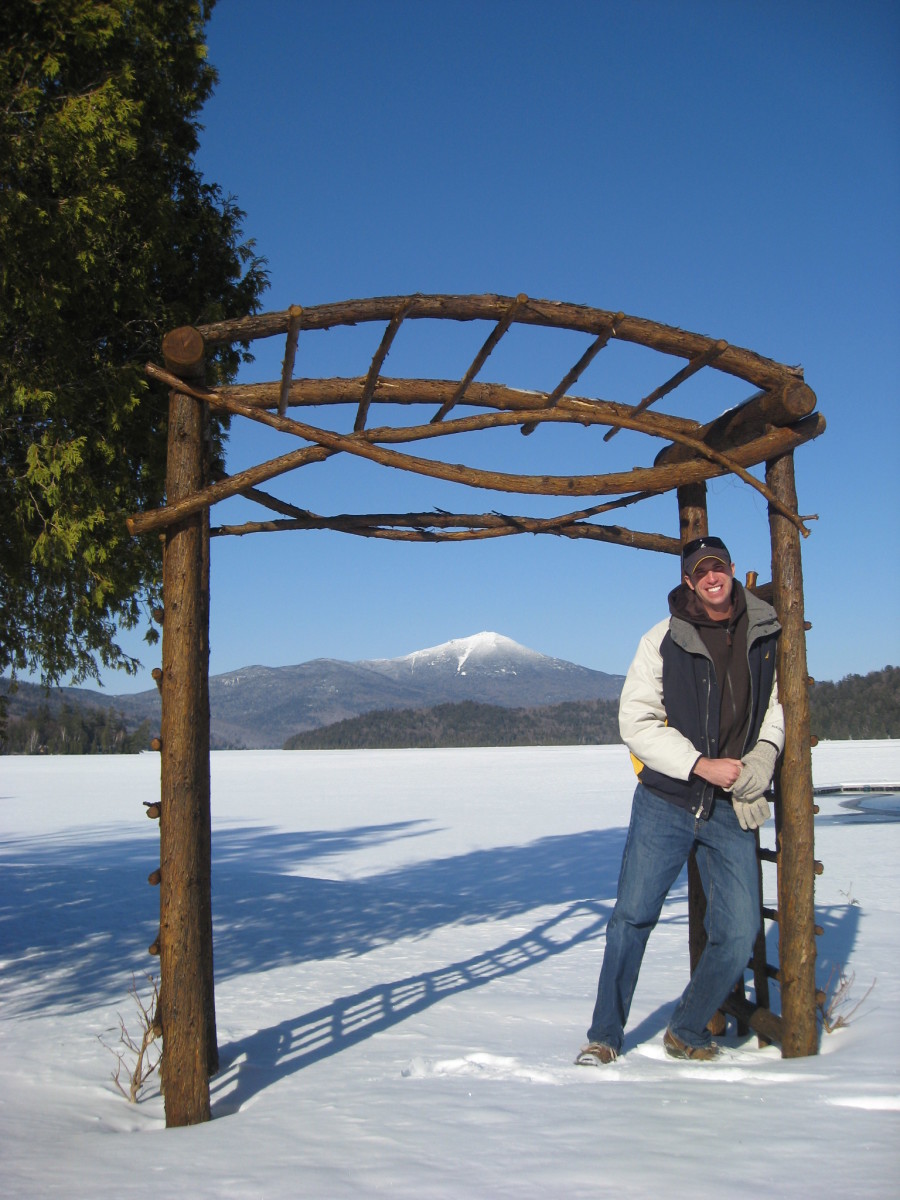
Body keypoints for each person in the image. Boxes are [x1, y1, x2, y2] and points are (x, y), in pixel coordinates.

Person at [577, 535, 784, 1065]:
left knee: (738, 931)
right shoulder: (662, 638)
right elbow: (636, 721)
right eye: (701, 571)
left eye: (718, 567)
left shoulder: (765, 631)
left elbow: (780, 703)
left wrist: (763, 755)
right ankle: (604, 1036)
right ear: (689, 581)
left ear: (731, 569)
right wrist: (698, 764)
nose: (712, 577)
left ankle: (686, 1029)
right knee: (632, 918)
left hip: (729, 806)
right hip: (666, 800)